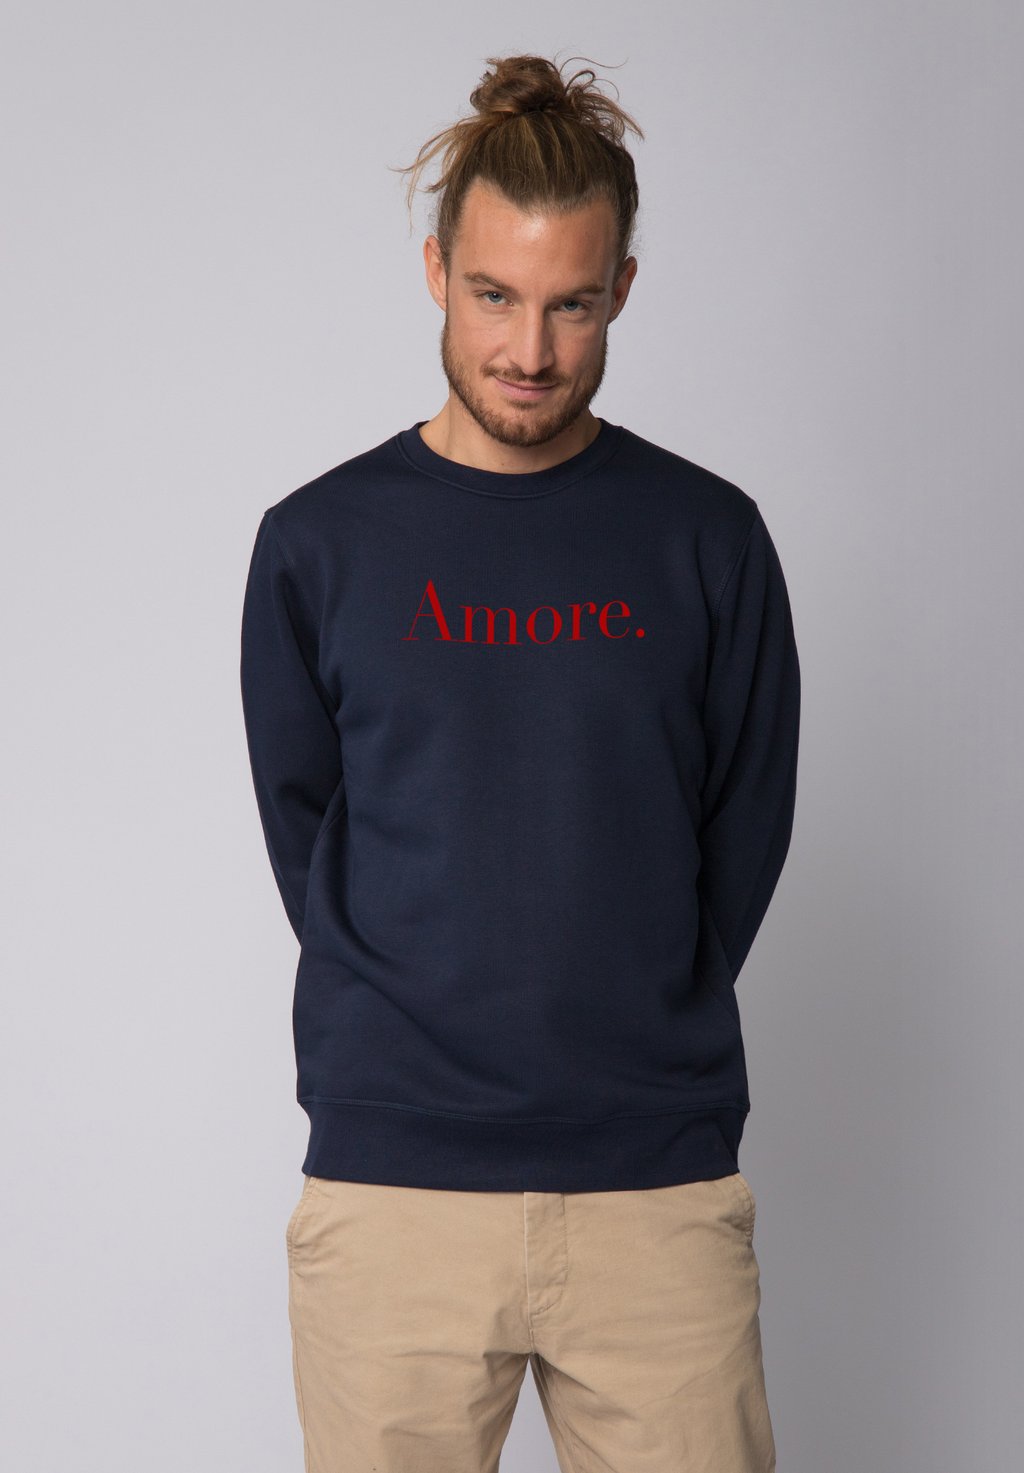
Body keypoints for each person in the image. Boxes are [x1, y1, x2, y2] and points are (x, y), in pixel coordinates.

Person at [240, 50, 800, 1473]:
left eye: (570, 304)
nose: (529, 352)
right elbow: (309, 835)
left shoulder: (708, 539)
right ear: (437, 271)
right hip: (395, 1195)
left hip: (655, 1191)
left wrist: (628, 1004)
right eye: (494, 295)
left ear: (623, 289)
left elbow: (743, 829)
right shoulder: (319, 546)